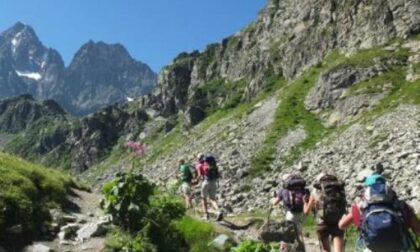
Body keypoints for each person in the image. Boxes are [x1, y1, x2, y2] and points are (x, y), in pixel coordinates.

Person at [339, 174, 420, 252]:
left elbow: (342, 226)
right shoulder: (401, 205)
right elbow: (418, 230)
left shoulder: (360, 207)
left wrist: (344, 217)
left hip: (372, 248)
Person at [303, 173, 347, 252]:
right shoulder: (339, 188)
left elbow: (306, 212)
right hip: (337, 219)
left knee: (325, 249)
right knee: (338, 245)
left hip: (322, 221)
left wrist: (305, 203)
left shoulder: (316, 190)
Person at [272, 173, 308, 251]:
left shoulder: (284, 189)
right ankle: (302, 250)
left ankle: (284, 249)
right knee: (298, 233)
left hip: (290, 213)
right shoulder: (301, 188)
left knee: (286, 234)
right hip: (300, 213)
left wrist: (273, 198)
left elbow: (275, 202)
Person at [195, 153, 223, 221]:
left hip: (206, 182)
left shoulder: (200, 165)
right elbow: (219, 174)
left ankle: (206, 215)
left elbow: (199, 175)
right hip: (214, 182)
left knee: (203, 199)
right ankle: (218, 211)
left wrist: (195, 181)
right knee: (212, 199)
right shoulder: (212, 163)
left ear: (199, 159)